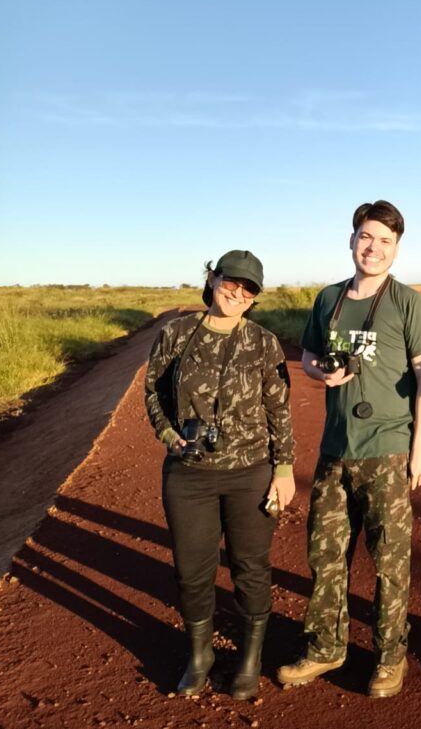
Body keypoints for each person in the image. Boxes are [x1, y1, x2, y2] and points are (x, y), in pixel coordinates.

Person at [276, 200, 421, 698]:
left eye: (385, 241)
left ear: (396, 248)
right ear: (352, 241)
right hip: (335, 449)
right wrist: (319, 372)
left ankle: (390, 658)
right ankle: (326, 647)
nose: (374, 248)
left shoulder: (408, 302)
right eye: (366, 237)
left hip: (387, 449)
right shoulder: (329, 299)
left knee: (389, 561)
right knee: (325, 556)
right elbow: (305, 354)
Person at [144, 249, 295, 700]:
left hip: (250, 472)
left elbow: (279, 409)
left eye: (249, 288)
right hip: (188, 474)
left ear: (255, 298)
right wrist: (169, 434)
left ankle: (249, 660)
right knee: (192, 571)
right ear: (213, 278)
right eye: (231, 281)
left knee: (250, 568)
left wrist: (283, 469)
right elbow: (153, 390)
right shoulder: (176, 334)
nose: (238, 292)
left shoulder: (264, 342)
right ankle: (200, 654)